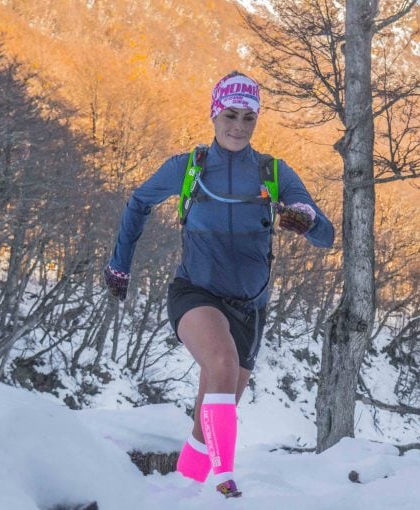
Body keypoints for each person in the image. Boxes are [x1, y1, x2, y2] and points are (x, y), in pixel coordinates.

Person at [103, 71, 334, 498]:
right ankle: (225, 482)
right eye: (230, 114)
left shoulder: (274, 172)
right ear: (215, 114)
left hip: (251, 307)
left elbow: (327, 236)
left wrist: (305, 218)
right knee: (223, 365)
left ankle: (181, 490)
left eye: (249, 118)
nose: (238, 126)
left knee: (209, 418)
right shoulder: (187, 168)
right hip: (196, 293)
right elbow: (138, 203)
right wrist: (120, 265)